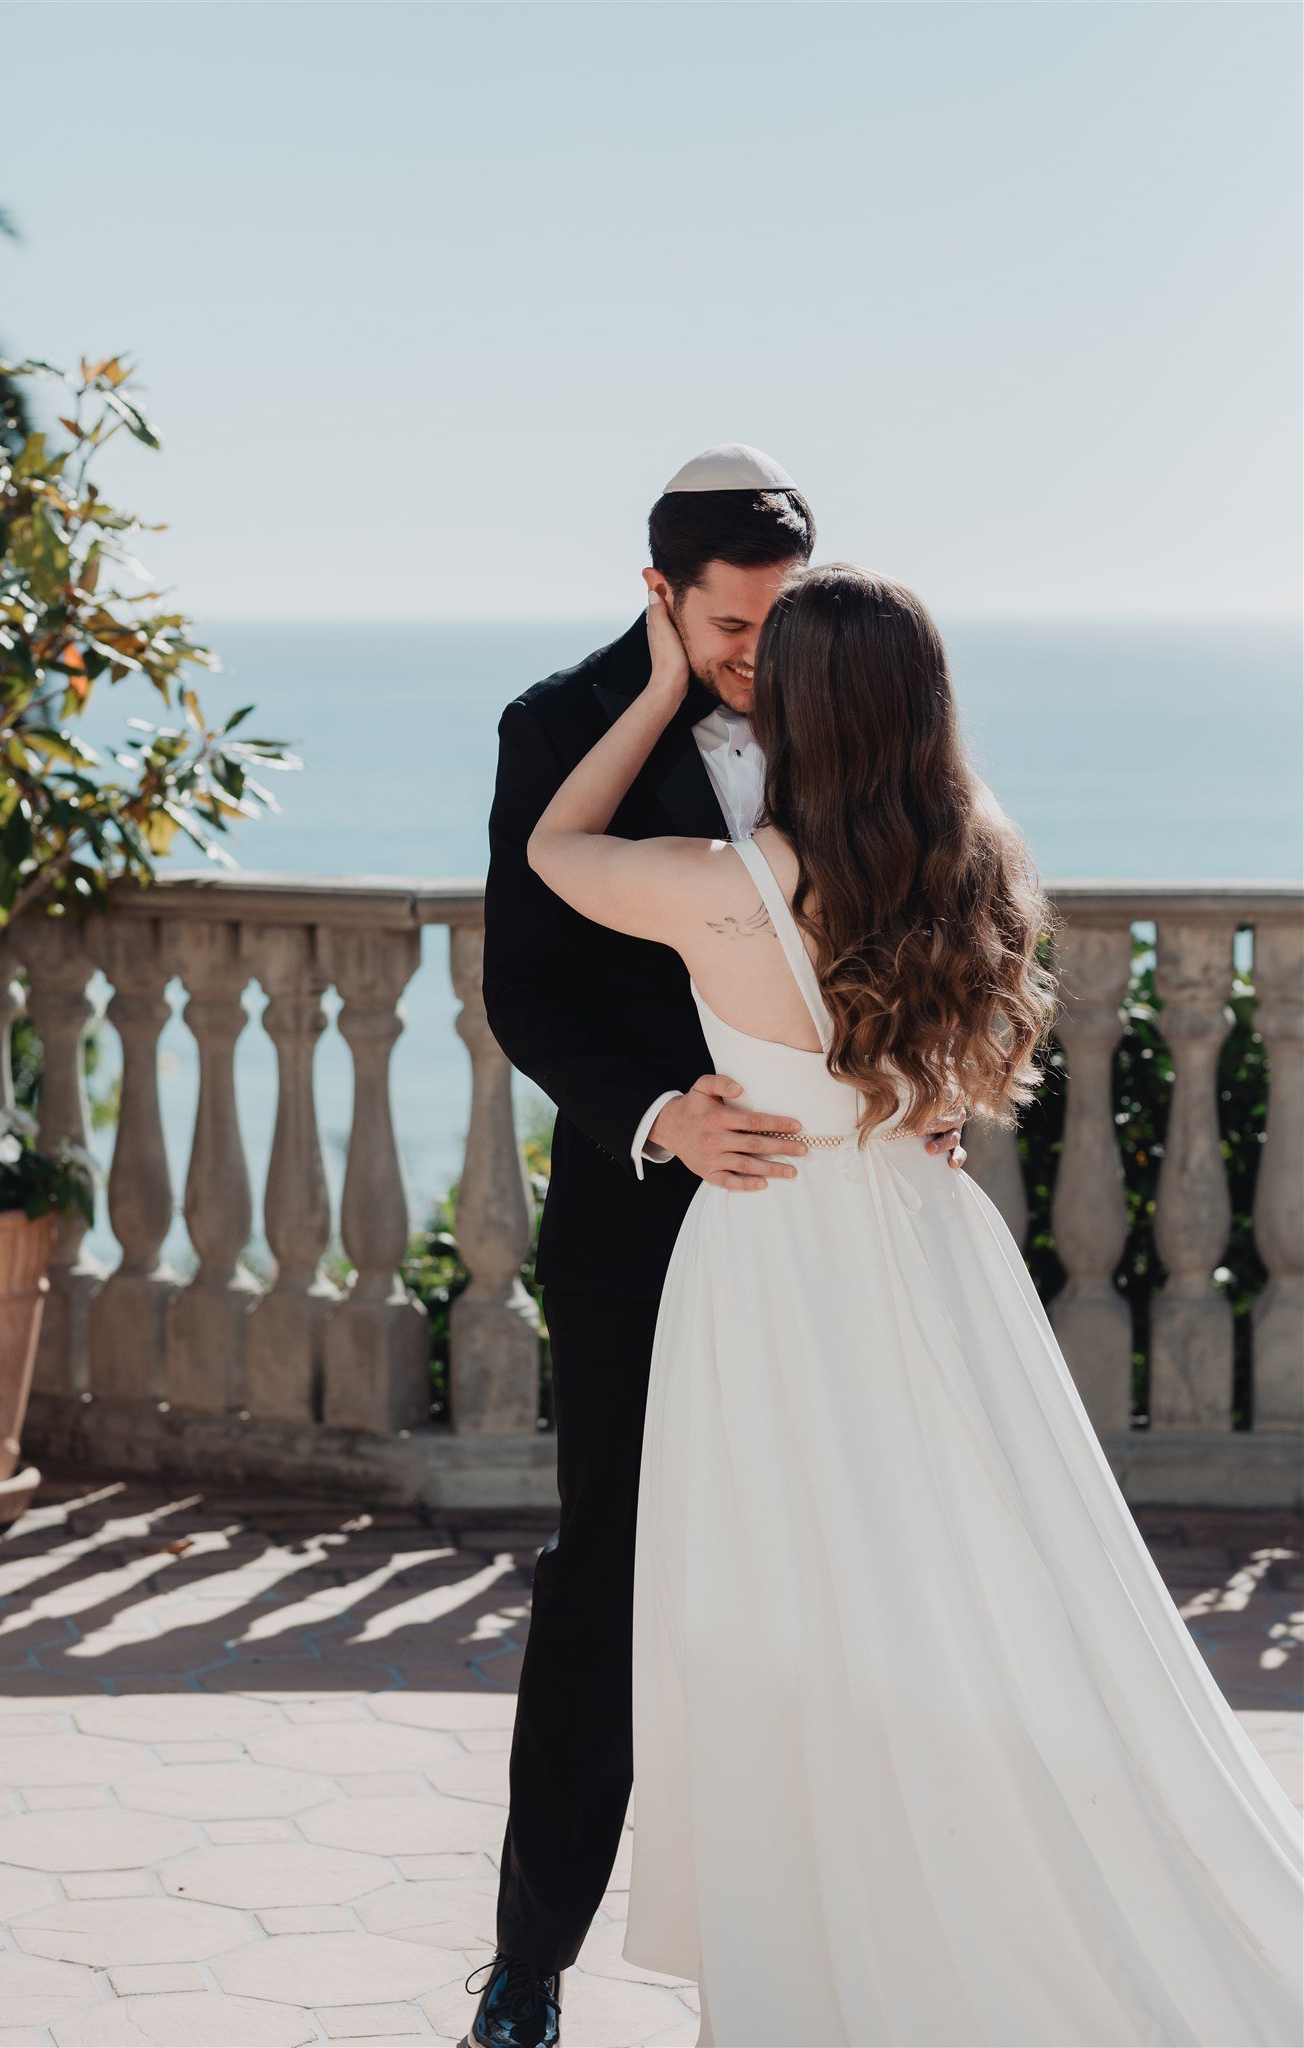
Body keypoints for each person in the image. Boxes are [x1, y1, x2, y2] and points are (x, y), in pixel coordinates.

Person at [523, 561, 1304, 2047]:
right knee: (964, 1585)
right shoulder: (981, 856)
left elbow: (556, 844)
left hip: (766, 1262)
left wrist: (652, 684)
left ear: (804, 711)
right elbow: (947, 1074)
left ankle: (832, 1938)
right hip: (929, 1253)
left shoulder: (727, 890)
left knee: (779, 1608)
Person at [465, 446, 967, 2048]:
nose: (759, 655)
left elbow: (920, 931)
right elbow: (526, 990)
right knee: (605, 1580)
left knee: (855, 1572)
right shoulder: (554, 729)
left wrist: (919, 1095)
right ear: (660, 598)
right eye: (731, 627)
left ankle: (840, 1945)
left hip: (840, 1230)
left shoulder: (849, 711)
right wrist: (657, 1117)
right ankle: (529, 1963)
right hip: (641, 1227)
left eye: (780, 621)